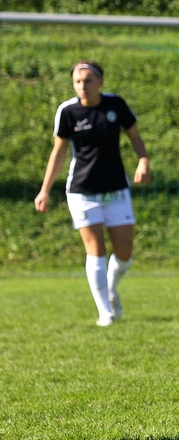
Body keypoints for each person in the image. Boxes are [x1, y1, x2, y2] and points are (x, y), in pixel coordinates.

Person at [34, 61, 152, 327]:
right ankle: (105, 313)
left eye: (87, 80)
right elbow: (59, 152)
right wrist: (44, 190)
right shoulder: (67, 111)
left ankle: (109, 289)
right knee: (95, 250)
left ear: (100, 81)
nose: (82, 86)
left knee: (124, 252)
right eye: (77, 81)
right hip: (82, 191)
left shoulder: (116, 105)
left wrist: (143, 159)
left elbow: (134, 135)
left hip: (115, 189)